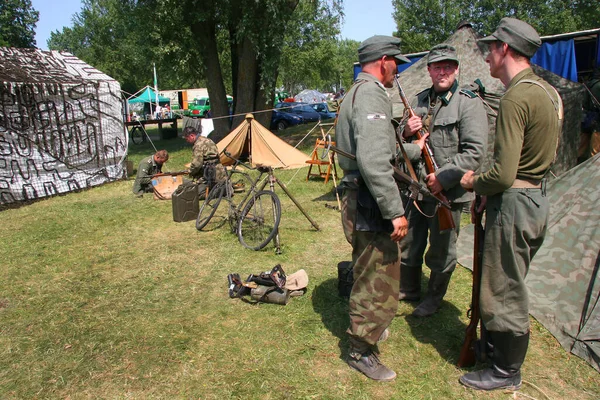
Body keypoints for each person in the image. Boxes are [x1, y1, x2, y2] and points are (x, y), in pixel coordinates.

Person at [459, 18, 562, 391]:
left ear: (505, 49)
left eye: (491, 48)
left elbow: (503, 173)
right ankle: (497, 353)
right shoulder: (547, 92)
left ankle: (505, 371)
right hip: (534, 198)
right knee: (510, 281)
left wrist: (474, 182)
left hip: (515, 202)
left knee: (504, 288)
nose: (486, 55)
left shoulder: (517, 95)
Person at [335, 35, 411, 382]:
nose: (397, 68)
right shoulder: (370, 93)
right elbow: (374, 159)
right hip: (370, 200)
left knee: (368, 270)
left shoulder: (356, 91)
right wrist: (394, 210)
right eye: (396, 62)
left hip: (361, 195)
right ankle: (360, 350)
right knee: (377, 277)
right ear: (384, 60)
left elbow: (375, 152)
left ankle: (372, 329)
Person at [398, 44, 488, 317]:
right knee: (409, 242)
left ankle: (433, 298)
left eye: (448, 66)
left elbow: (474, 152)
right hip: (418, 189)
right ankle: (409, 289)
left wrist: (444, 178)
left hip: (448, 194)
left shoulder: (468, 102)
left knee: (442, 249)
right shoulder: (419, 100)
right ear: (429, 70)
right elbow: (400, 142)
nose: (442, 72)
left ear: (456, 69)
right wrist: (405, 131)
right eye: (437, 67)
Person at [182, 126, 226, 199]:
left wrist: (190, 172)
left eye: (187, 139)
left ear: (192, 136)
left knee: (195, 193)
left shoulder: (198, 145)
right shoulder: (207, 140)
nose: (187, 141)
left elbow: (197, 164)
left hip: (209, 174)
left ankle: (220, 192)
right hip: (219, 171)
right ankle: (222, 188)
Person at [580, 68, 600, 162]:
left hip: (586, 120)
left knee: (581, 150)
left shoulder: (589, 84)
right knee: (595, 154)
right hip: (598, 124)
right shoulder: (598, 86)